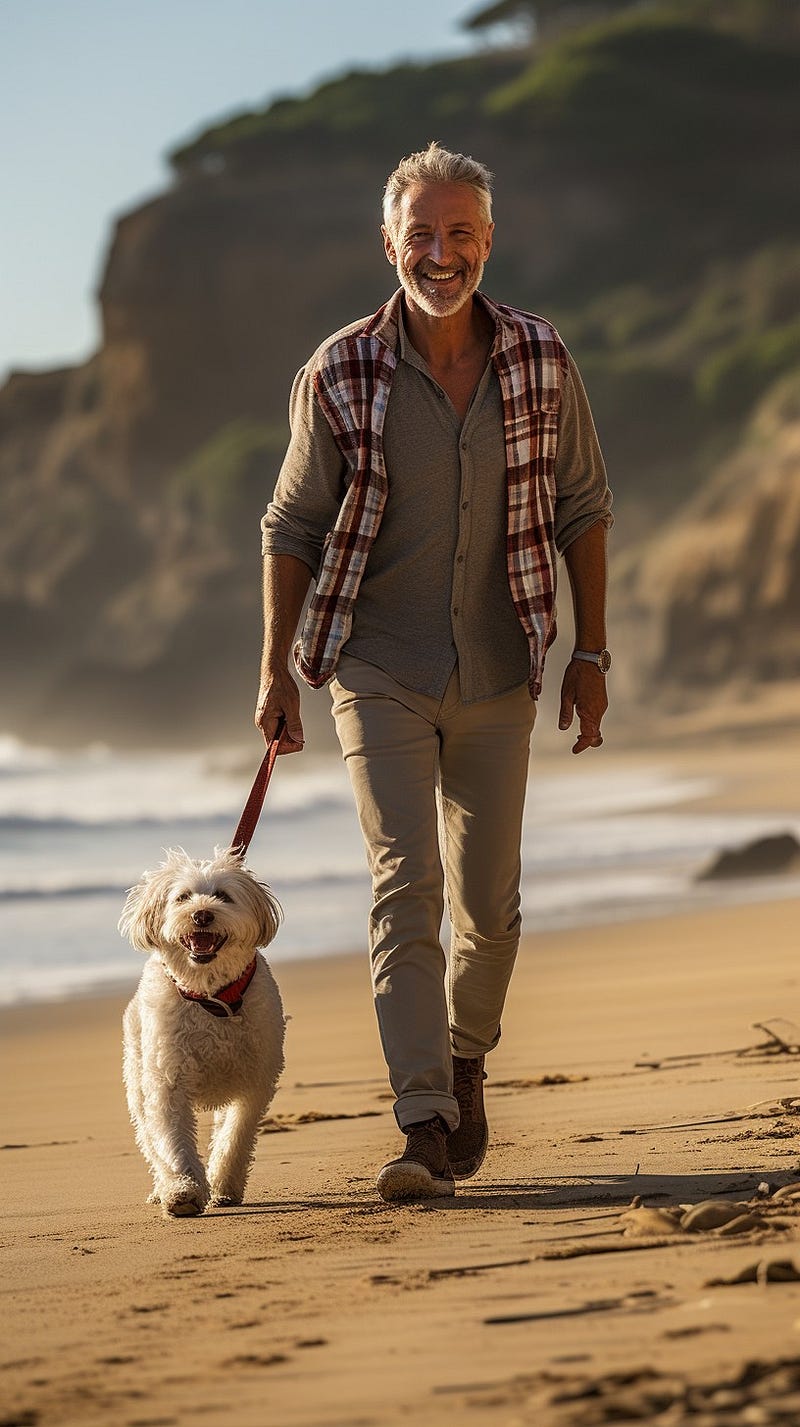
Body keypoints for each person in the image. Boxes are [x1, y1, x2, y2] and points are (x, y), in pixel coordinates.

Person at [256, 142, 612, 1202]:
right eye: (420, 233)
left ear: (487, 242)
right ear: (389, 243)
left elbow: (581, 505)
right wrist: (274, 668)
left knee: (490, 908)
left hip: (502, 664)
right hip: (377, 665)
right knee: (402, 881)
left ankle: (464, 1057)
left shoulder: (542, 359)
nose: (439, 253)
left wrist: (589, 652)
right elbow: (292, 522)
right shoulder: (340, 368)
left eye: (459, 233)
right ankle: (419, 1118)